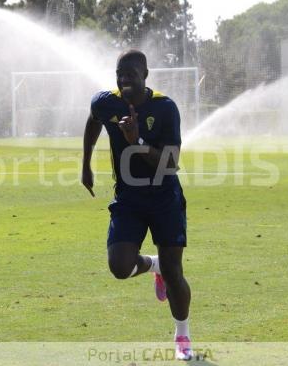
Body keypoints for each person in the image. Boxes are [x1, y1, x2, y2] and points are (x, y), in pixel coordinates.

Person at [81, 49, 192, 360]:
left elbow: (170, 163)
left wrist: (137, 142)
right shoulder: (107, 102)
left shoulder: (165, 108)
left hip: (164, 199)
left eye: (131, 73)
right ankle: (150, 264)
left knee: (174, 272)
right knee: (119, 267)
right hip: (129, 200)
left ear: (145, 75)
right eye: (120, 73)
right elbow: (94, 120)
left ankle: (182, 334)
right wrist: (86, 164)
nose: (124, 79)